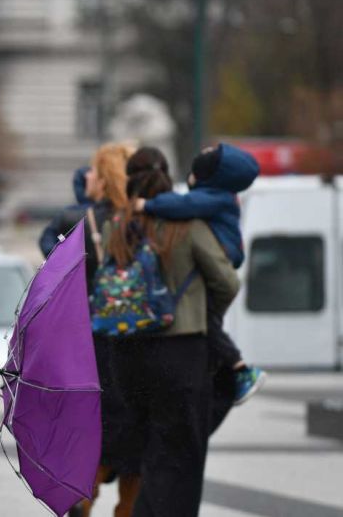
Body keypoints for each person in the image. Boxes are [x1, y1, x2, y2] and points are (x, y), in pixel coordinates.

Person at [104, 147, 240, 517]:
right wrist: (202, 314)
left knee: (146, 446)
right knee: (180, 456)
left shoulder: (116, 226)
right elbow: (227, 283)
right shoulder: (188, 224)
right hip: (180, 354)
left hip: (127, 356)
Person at [39, 143, 142, 517]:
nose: (88, 177)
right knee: (134, 435)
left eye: (96, 172)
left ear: (109, 175)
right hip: (136, 338)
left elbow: (49, 255)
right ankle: (127, 507)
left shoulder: (80, 221)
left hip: (88, 341)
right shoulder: (144, 221)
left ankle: (85, 494)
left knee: (91, 427)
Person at [135, 143, 266, 405]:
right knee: (209, 321)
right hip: (225, 250)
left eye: (209, 154)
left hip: (224, 251)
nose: (204, 149)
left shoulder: (213, 198)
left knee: (207, 319)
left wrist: (146, 205)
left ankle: (240, 368)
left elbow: (182, 205)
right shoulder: (217, 194)